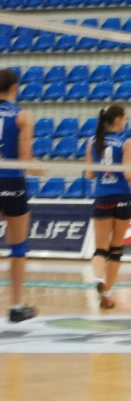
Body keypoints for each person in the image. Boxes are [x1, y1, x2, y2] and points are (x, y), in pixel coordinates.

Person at [85, 105, 131, 309]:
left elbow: (90, 174)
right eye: (125, 118)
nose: (126, 122)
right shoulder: (126, 142)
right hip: (123, 198)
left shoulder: (92, 142)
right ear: (119, 119)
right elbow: (129, 174)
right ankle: (107, 294)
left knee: (100, 249)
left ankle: (97, 278)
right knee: (116, 249)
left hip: (103, 197)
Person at [0, 68, 41, 322]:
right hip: (12, 183)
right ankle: (16, 306)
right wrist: (41, 168)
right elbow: (25, 161)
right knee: (18, 246)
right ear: (15, 87)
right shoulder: (23, 116)